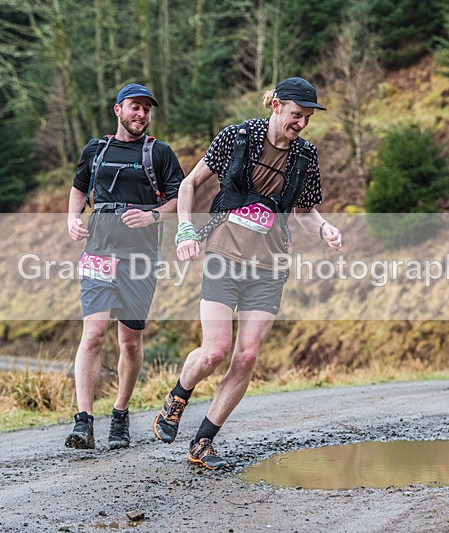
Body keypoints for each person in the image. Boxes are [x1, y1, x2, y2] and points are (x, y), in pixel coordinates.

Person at [151, 77, 342, 470]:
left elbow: (304, 211)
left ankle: (203, 441)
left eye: (307, 118)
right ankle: (179, 394)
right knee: (215, 351)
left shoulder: (305, 156)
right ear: (275, 106)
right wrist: (184, 229)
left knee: (247, 356)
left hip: (269, 267)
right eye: (296, 114)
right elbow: (189, 184)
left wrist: (324, 228)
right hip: (223, 256)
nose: (301, 123)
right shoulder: (238, 137)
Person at [65, 83, 184, 449]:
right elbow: (79, 187)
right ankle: (83, 421)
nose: (141, 114)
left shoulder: (159, 153)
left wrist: (153, 216)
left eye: (147, 109)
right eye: (135, 106)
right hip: (99, 251)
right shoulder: (96, 150)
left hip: (140, 259)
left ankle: (120, 414)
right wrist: (72, 218)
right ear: (118, 110)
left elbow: (181, 198)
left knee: (129, 342)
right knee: (94, 333)